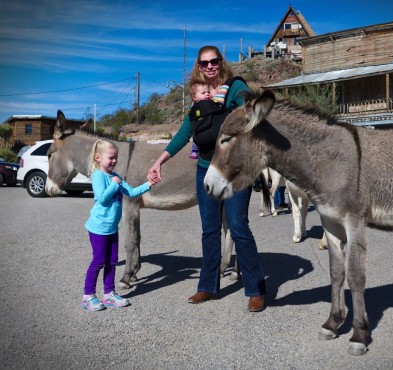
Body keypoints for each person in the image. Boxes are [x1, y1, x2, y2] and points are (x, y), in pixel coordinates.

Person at [148, 45, 267, 312]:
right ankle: (208, 286)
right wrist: (159, 161)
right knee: (210, 229)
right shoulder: (198, 98)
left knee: (238, 226)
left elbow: (247, 117)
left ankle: (256, 288)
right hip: (206, 168)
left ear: (221, 63)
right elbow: (183, 134)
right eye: (204, 63)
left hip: (235, 168)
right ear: (199, 67)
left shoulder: (235, 87)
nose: (210, 66)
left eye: (214, 61)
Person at [82, 139, 159, 312]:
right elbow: (101, 198)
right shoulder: (98, 175)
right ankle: (88, 296)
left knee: (112, 261)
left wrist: (149, 184)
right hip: (98, 228)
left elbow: (131, 192)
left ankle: (109, 294)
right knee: (99, 261)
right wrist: (114, 184)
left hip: (111, 228)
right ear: (98, 158)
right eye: (111, 157)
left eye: (116, 157)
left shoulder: (114, 176)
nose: (114, 160)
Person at [188, 82, 211, 159]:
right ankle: (194, 151)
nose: (207, 94)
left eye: (208, 92)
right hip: (199, 128)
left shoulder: (210, 102)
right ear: (194, 97)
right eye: (203, 93)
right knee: (196, 140)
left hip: (209, 127)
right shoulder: (195, 106)